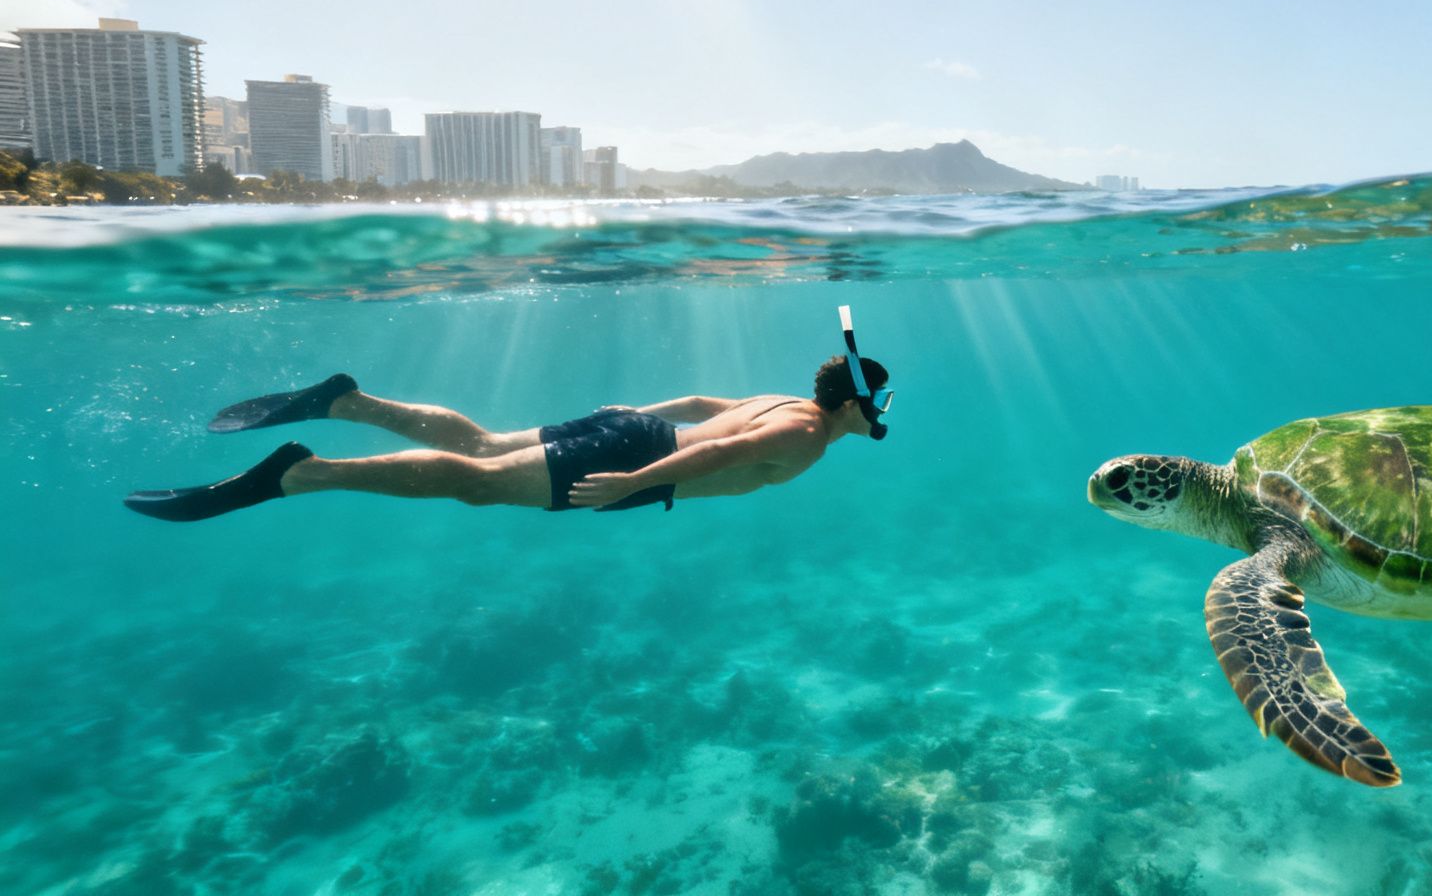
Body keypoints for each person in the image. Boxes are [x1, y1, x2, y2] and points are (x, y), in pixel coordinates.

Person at [124, 354, 892, 521]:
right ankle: (301, 475)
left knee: (485, 446)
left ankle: (347, 403)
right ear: (854, 402)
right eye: (878, 399)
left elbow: (697, 402)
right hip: (641, 459)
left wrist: (624, 414)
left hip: (636, 430)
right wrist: (631, 480)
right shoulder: (807, 432)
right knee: (477, 481)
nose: (883, 409)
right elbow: (721, 453)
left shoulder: (782, 399)